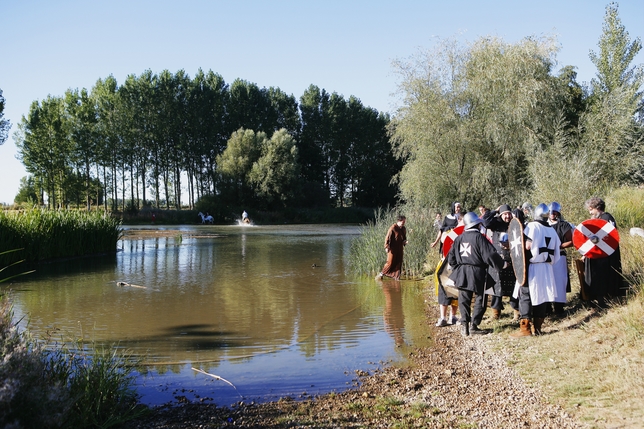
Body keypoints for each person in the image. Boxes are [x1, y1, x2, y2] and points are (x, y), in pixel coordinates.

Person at [447, 212, 506, 336]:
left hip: (462, 272)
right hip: (478, 272)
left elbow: (451, 257)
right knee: (481, 299)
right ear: (477, 224)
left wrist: (457, 269)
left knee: (464, 300)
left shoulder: (459, 238)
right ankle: (474, 325)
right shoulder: (479, 238)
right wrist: (502, 264)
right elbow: (490, 255)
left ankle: (464, 326)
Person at [511, 203, 561, 337]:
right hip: (546, 268)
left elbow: (526, 246)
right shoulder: (552, 230)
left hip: (532, 267)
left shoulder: (532, 226)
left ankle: (525, 329)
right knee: (542, 297)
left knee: (525, 295)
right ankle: (538, 329)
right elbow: (557, 251)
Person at [583, 197, 624, 307]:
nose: (590, 212)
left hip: (605, 253)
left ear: (597, 208)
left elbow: (603, 237)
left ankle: (604, 299)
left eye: (591, 209)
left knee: (602, 275)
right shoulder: (604, 218)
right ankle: (598, 298)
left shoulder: (606, 218)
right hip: (602, 252)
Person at [482, 204, 518, 320]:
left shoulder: (515, 223)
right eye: (504, 214)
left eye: (508, 213)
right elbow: (484, 221)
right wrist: (495, 210)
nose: (507, 216)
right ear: (501, 215)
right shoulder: (496, 223)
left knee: (514, 287)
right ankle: (495, 313)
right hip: (498, 259)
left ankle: (517, 312)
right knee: (496, 286)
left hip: (512, 258)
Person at [548, 202, 573, 315]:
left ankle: (559, 308)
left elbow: (571, 241)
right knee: (547, 282)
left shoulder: (564, 225)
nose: (552, 214)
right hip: (546, 257)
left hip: (560, 256)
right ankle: (547, 308)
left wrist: (560, 246)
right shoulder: (544, 225)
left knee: (559, 282)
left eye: (554, 211)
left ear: (558, 212)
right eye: (550, 212)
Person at [376, 215, 408, 281]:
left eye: (404, 221)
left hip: (399, 248)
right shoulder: (393, 228)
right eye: (403, 221)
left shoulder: (403, 228)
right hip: (392, 248)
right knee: (390, 262)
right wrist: (386, 247)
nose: (404, 223)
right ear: (399, 221)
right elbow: (387, 237)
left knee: (399, 261)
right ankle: (381, 274)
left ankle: (396, 277)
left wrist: (405, 241)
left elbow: (404, 238)